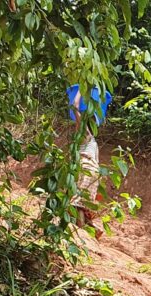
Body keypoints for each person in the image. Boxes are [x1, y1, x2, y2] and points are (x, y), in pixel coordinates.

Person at [70, 87, 104, 240]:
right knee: (84, 205)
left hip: (86, 169)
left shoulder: (84, 132)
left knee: (77, 204)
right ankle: (93, 230)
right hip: (94, 171)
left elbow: (75, 106)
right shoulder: (94, 141)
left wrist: (82, 89)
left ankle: (80, 236)